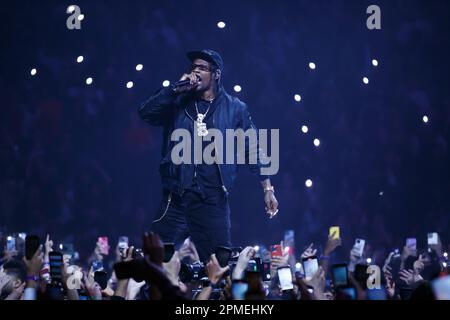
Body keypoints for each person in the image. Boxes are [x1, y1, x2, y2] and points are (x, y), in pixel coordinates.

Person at [139, 49, 278, 261]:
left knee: (219, 263)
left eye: (201, 68)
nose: (195, 71)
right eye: (193, 67)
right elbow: (146, 113)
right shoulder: (177, 102)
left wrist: (267, 188)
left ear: (216, 74)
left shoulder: (235, 109)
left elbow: (253, 148)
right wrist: (174, 89)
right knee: (153, 258)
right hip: (177, 198)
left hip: (212, 200)